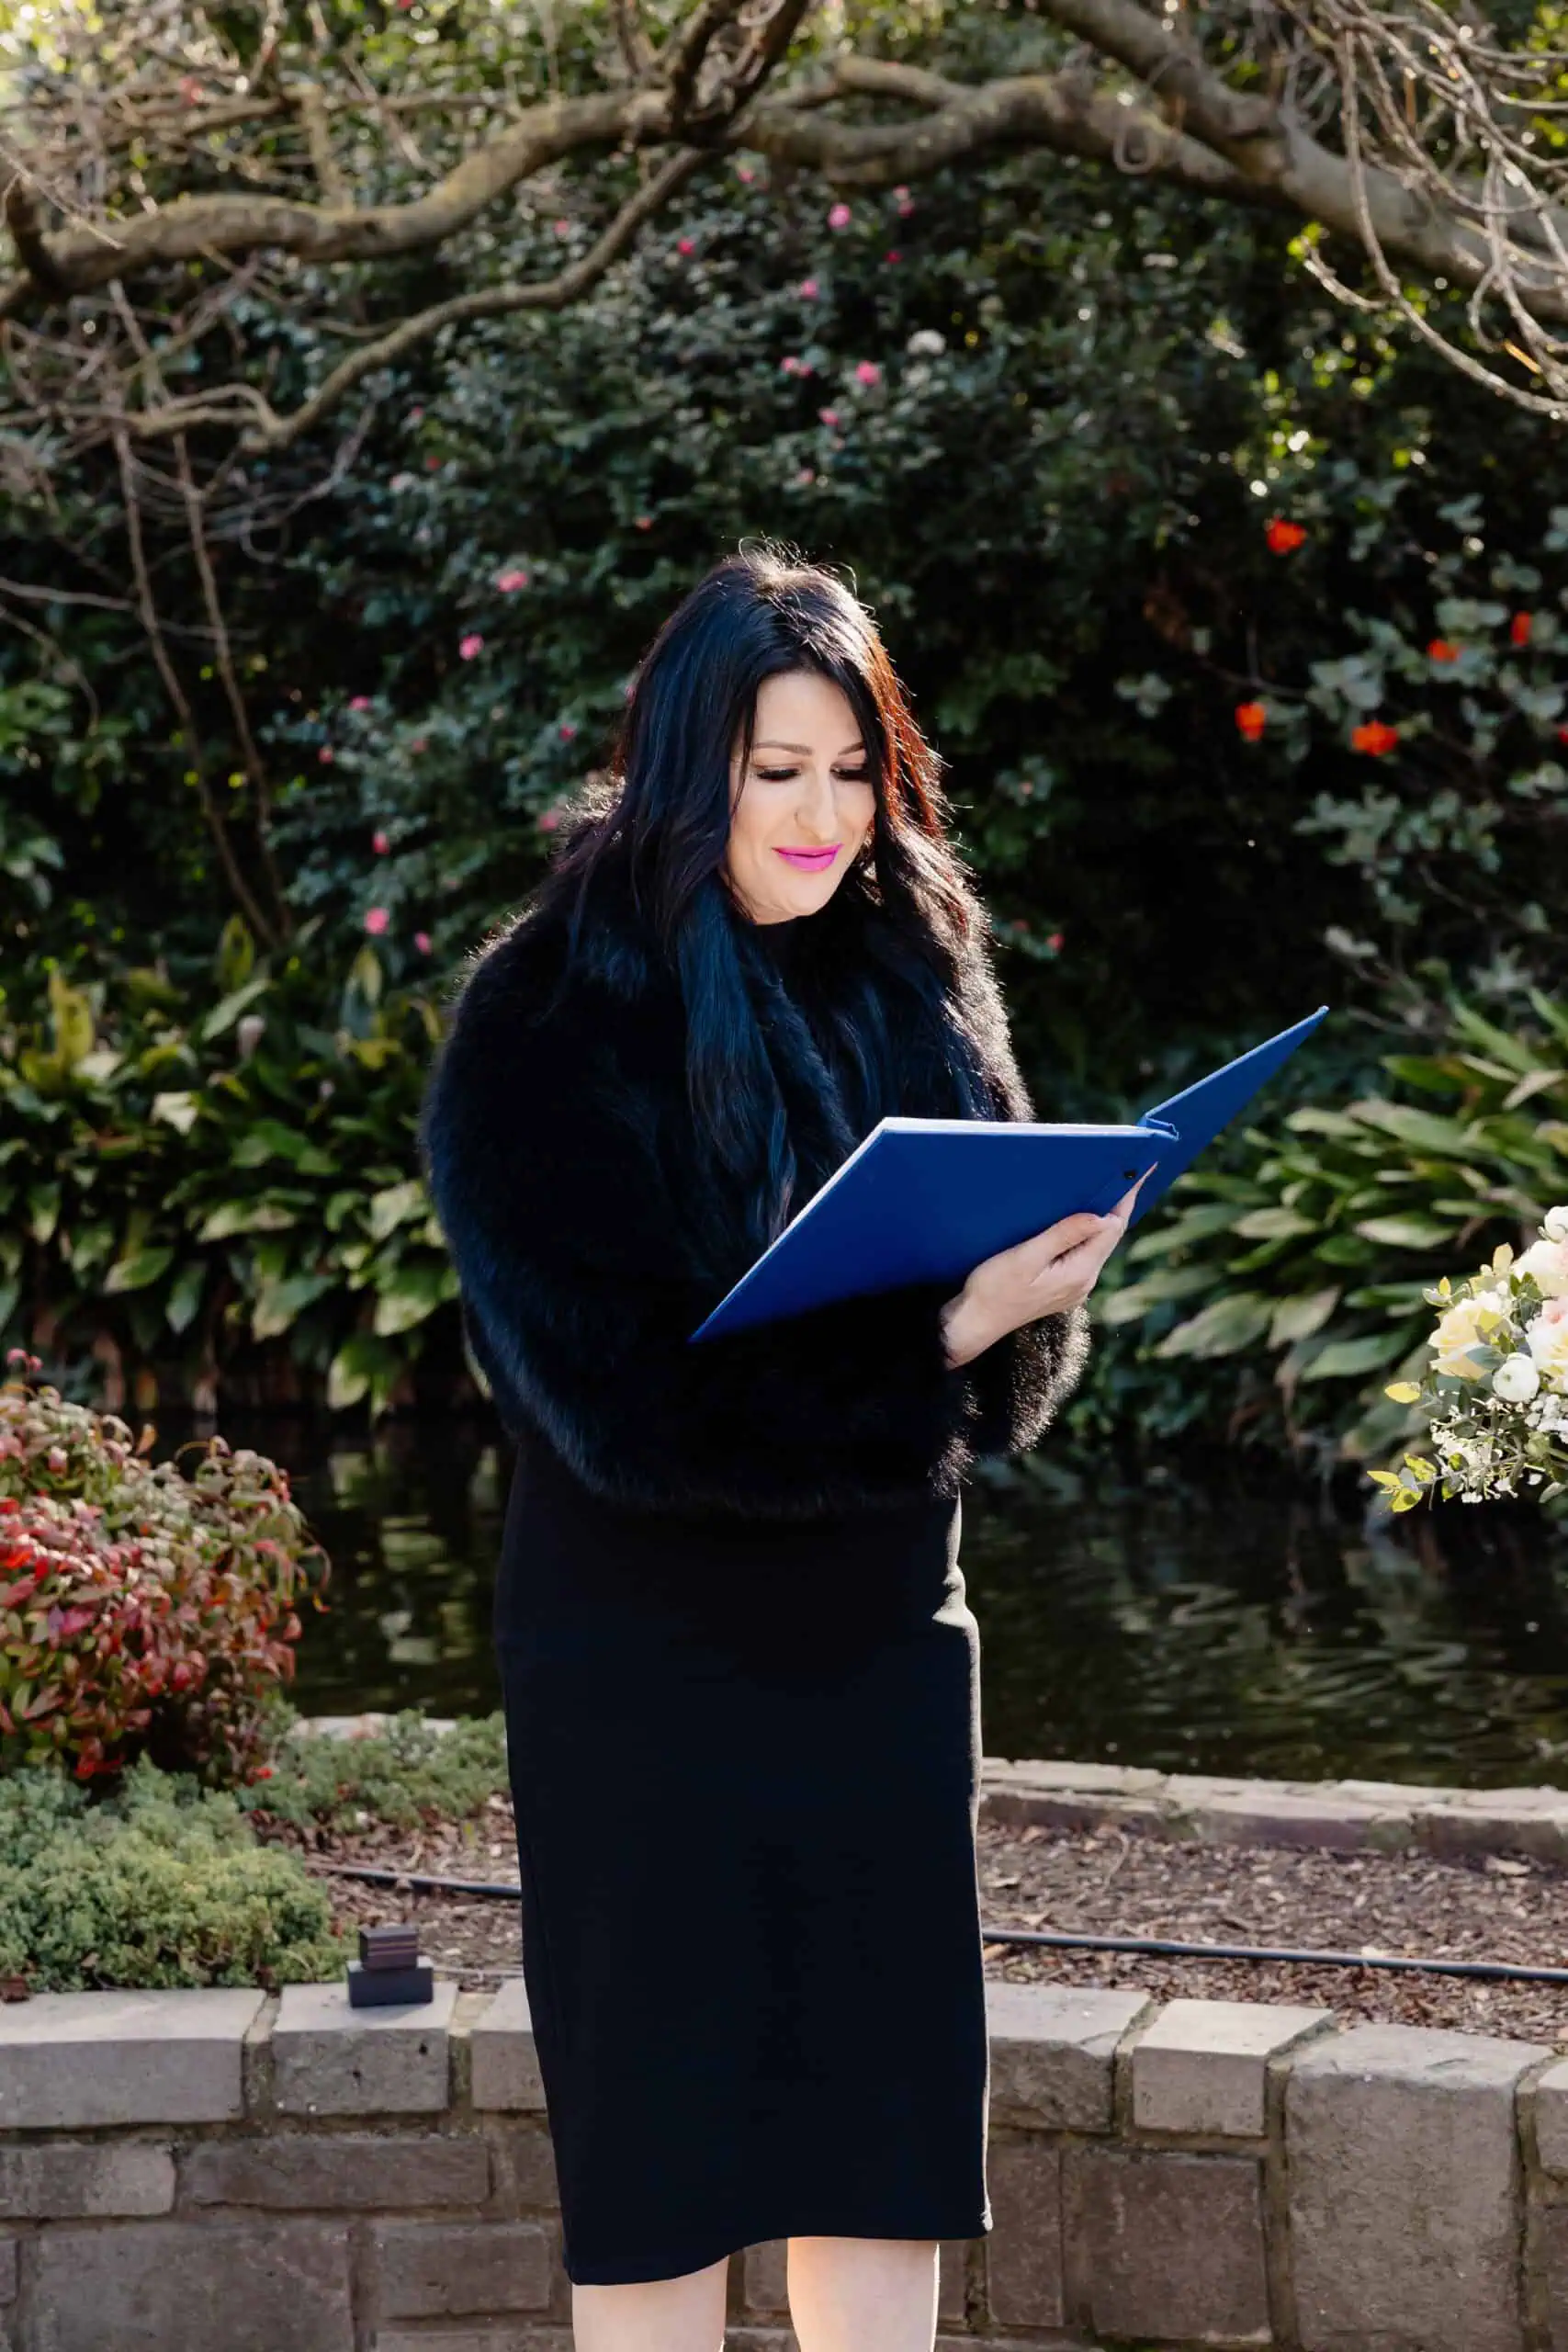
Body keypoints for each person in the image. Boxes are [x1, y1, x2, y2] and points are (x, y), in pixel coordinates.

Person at [418, 544, 1135, 2352]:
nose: (822, 816)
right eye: (774, 770)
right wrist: (946, 1331)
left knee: (876, 2146)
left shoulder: (915, 960)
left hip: (882, 1643)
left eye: (848, 770)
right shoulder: (545, 1013)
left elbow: (1005, 1373)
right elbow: (632, 1408)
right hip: (640, 1662)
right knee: (665, 2163)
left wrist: (1039, 1288)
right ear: (689, 769)